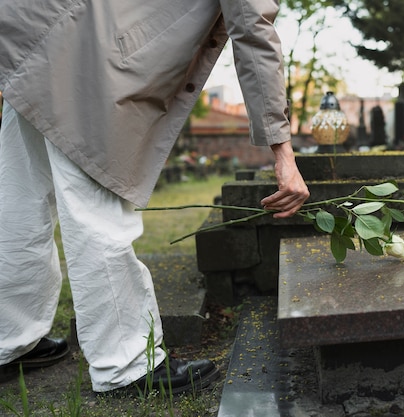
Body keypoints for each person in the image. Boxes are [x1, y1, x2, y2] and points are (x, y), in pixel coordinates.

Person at [0, 0, 309, 395]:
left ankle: (10, 339)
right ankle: (125, 363)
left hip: (39, 37)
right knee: (97, 211)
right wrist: (282, 150)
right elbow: (253, 30)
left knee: (18, 203)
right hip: (91, 61)